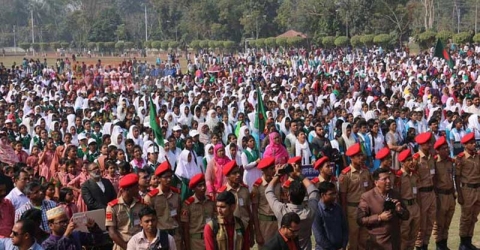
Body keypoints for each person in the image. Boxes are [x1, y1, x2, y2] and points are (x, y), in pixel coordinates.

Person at [266, 162, 319, 250]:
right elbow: (313, 191)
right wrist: (298, 174)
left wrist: (278, 175)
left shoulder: (281, 210)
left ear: (288, 196)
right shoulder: (309, 212)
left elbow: (268, 191)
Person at [357, 168, 409, 250]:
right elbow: (360, 220)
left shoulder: (395, 194)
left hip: (395, 242)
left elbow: (406, 216)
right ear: (376, 182)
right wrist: (379, 217)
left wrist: (399, 210)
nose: (388, 181)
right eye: (384, 179)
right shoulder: (367, 197)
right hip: (378, 243)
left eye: (389, 178)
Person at [338, 143, 374, 250]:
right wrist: (344, 213)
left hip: (364, 209)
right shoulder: (346, 175)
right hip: (352, 210)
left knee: (364, 238)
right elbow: (343, 196)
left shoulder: (366, 172)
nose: (361, 158)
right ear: (351, 158)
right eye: (358, 156)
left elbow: (370, 190)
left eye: (361, 155)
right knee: (353, 240)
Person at [143, 161, 182, 249]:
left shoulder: (176, 194)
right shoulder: (151, 197)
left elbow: (179, 216)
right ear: (158, 179)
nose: (169, 179)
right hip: (159, 237)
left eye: (170, 176)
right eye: (165, 177)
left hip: (175, 236)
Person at [217, 160, 253, 247]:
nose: (238, 175)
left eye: (238, 172)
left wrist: (252, 233)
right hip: (231, 229)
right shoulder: (223, 192)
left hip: (245, 227)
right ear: (228, 176)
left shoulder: (245, 190)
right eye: (234, 173)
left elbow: (249, 211)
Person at [106, 173, 147, 250]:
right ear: (127, 190)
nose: (138, 190)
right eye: (136, 188)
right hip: (122, 245)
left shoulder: (141, 204)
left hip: (139, 244)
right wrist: (128, 248)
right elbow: (112, 232)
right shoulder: (113, 207)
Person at [454, 132, 480, 250]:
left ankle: (468, 240)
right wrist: (459, 194)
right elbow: (457, 177)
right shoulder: (461, 158)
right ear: (465, 145)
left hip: (477, 189)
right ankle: (463, 242)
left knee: (474, 216)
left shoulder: (477, 156)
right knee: (466, 217)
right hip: (467, 190)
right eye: (471, 143)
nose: (474, 144)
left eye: (474, 142)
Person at [412, 132, 436, 249]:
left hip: (431, 193)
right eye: (427, 143)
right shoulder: (416, 159)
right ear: (421, 145)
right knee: (421, 224)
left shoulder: (431, 158)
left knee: (431, 222)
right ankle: (419, 246)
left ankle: (425, 245)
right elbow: (413, 180)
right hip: (422, 194)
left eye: (430, 143)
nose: (430, 145)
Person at [431, 136, 455, 250]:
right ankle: (439, 245)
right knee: (439, 223)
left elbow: (452, 178)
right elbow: (433, 181)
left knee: (447, 221)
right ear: (438, 150)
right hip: (440, 195)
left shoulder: (450, 162)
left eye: (447, 148)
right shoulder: (435, 162)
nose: (447, 150)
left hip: (450, 195)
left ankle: (444, 244)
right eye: (444, 148)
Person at [180, 173, 215, 250]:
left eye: (204, 185)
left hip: (211, 238)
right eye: (199, 186)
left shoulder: (211, 201)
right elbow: (185, 228)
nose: (203, 188)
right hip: (196, 242)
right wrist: (187, 246)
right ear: (194, 189)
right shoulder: (188, 204)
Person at [394, 149, 421, 250]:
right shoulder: (399, 177)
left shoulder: (414, 175)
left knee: (414, 235)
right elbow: (396, 196)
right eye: (408, 160)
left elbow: (417, 192)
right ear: (402, 162)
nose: (411, 162)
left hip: (415, 206)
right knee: (404, 236)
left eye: (411, 159)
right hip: (405, 208)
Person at [251, 157, 280, 247]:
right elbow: (254, 211)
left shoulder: (278, 183)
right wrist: (258, 233)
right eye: (271, 168)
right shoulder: (257, 186)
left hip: (277, 223)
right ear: (264, 170)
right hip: (264, 225)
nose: (274, 170)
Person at [312, 181, 348, 250]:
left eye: (335, 193)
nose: (335, 196)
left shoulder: (338, 208)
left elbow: (345, 228)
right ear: (322, 195)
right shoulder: (317, 211)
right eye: (331, 194)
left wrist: (343, 245)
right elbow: (319, 237)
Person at [0, 174, 14, 239]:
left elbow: (14, 222)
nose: (3, 193)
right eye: (0, 191)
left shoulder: (8, 203)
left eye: (4, 190)